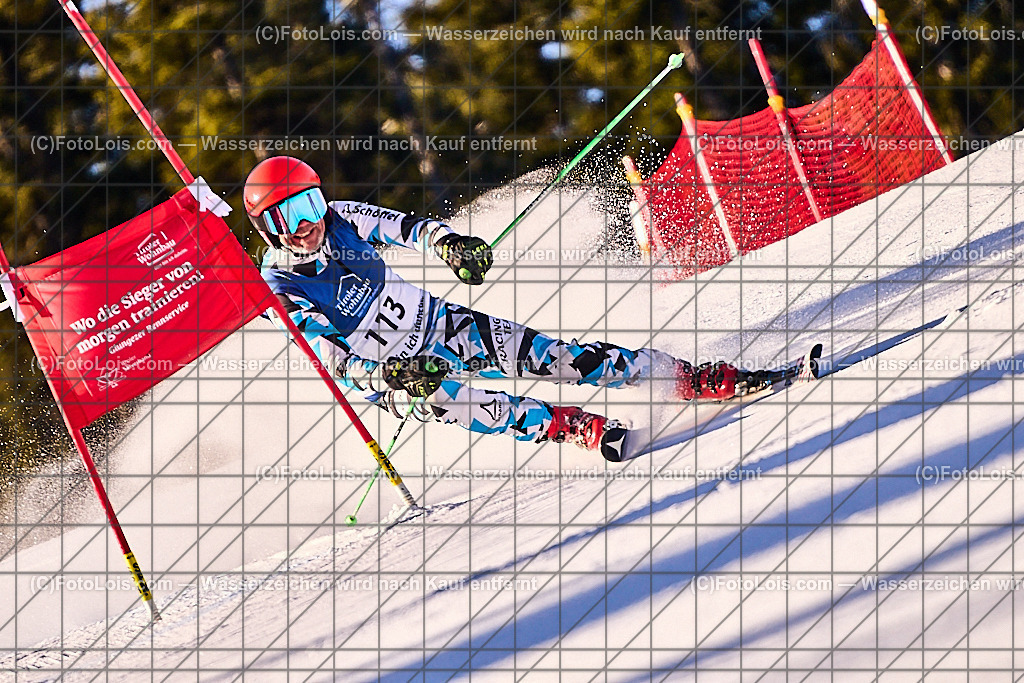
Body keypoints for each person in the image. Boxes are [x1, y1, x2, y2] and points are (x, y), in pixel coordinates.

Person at [244, 156, 743, 462]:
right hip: (394, 377)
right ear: (265, 226)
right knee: (479, 406)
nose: (305, 223)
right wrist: (389, 375)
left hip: (438, 324)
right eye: (287, 215)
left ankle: (682, 377)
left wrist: (453, 246)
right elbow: (334, 361)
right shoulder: (278, 288)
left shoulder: (341, 219)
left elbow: (412, 229)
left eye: (309, 204)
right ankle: (576, 428)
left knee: (558, 358)